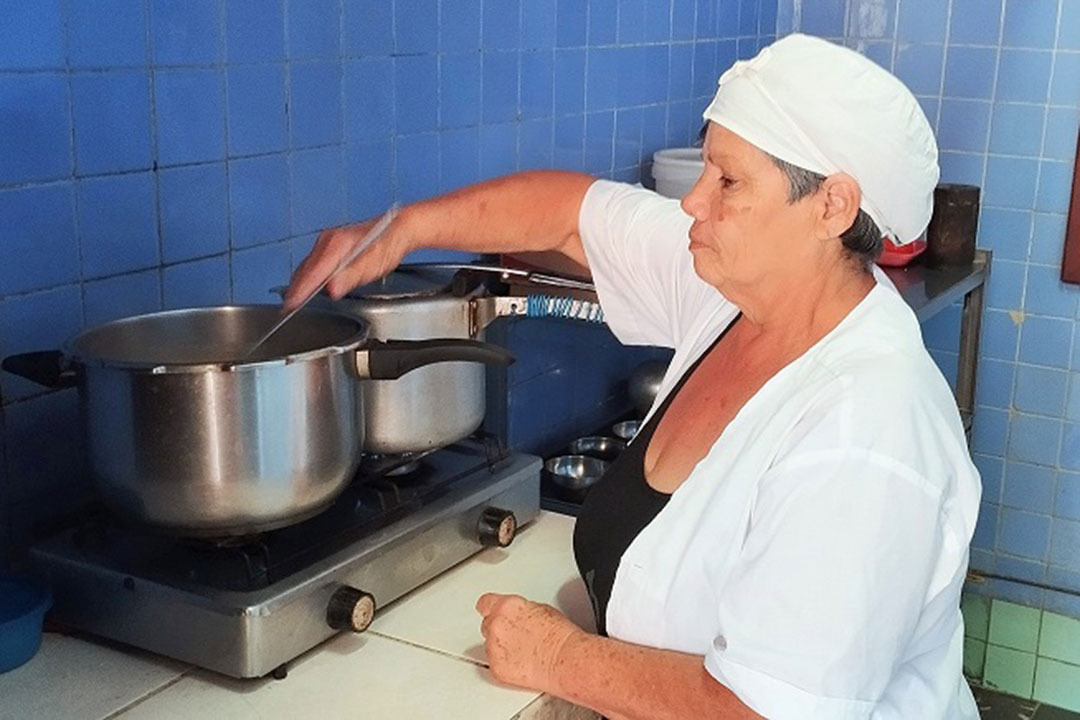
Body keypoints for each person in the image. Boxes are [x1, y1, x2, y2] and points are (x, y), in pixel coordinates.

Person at [285, 34, 980, 719]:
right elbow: (570, 218)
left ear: (832, 206)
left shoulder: (868, 428)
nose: (692, 202)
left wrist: (559, 660)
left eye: (728, 181)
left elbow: (766, 711)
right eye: (705, 170)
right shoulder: (740, 290)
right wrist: (402, 229)